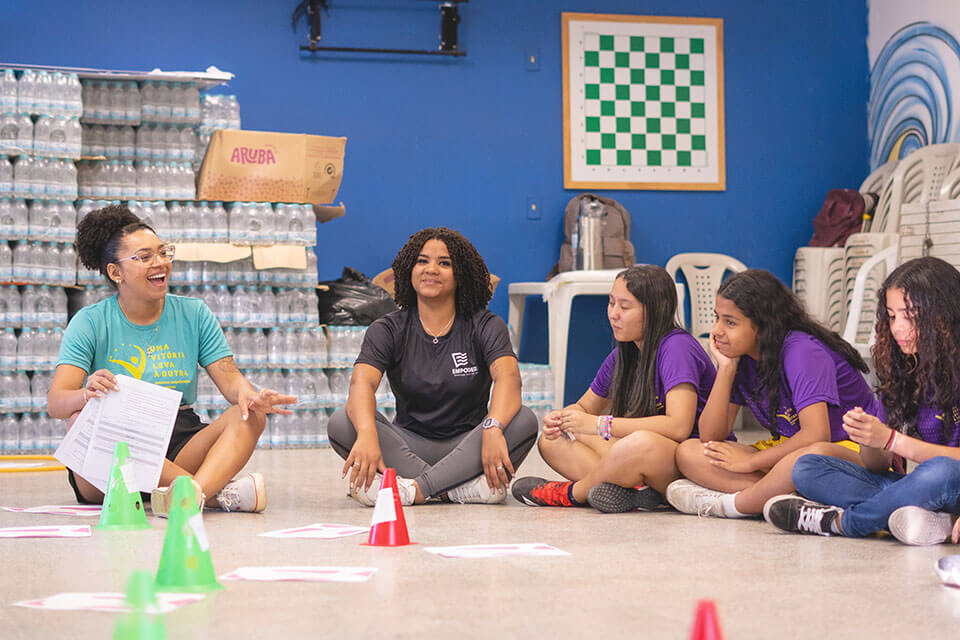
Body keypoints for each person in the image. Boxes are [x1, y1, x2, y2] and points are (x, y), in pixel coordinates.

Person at [48, 205, 295, 514]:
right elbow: (56, 402)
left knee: (250, 415)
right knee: (78, 418)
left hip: (178, 436)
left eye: (163, 252)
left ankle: (189, 495)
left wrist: (249, 395)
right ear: (115, 272)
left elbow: (231, 379)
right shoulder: (90, 322)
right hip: (115, 450)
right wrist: (87, 393)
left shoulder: (194, 313)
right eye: (144, 257)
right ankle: (208, 492)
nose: (160, 262)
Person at [328, 227, 538, 506]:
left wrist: (492, 427)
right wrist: (366, 433)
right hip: (407, 446)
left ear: (461, 274)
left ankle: (413, 490)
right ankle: (455, 489)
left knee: (524, 419)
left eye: (445, 263)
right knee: (342, 422)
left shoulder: (486, 324)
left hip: (471, 446)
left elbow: (509, 379)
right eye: (422, 261)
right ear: (409, 270)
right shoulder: (387, 328)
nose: (431, 269)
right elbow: (361, 383)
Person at [765, 257, 960, 544]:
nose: (897, 328)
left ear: (943, 315)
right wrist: (870, 438)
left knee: (941, 472)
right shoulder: (906, 367)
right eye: (892, 316)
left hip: (948, 482)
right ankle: (927, 519)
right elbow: (877, 467)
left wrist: (893, 440)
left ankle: (842, 523)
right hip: (922, 488)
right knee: (808, 467)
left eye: (910, 316)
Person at [667, 269, 874, 518]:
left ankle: (734, 505)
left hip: (848, 455)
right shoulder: (742, 356)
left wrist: (751, 462)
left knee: (808, 458)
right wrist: (726, 369)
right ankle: (786, 498)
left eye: (730, 322)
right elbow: (711, 434)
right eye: (717, 317)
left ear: (763, 325)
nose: (717, 330)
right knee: (690, 452)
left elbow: (817, 435)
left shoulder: (802, 351)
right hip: (788, 452)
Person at [511, 265, 717, 512]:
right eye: (611, 303)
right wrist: (562, 419)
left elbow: (679, 427)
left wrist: (599, 424)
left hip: (690, 464)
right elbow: (585, 407)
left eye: (625, 307)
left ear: (655, 310)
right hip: (642, 460)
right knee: (551, 441)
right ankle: (637, 493)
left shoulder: (676, 347)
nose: (613, 314)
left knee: (639, 442)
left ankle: (573, 493)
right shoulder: (625, 352)